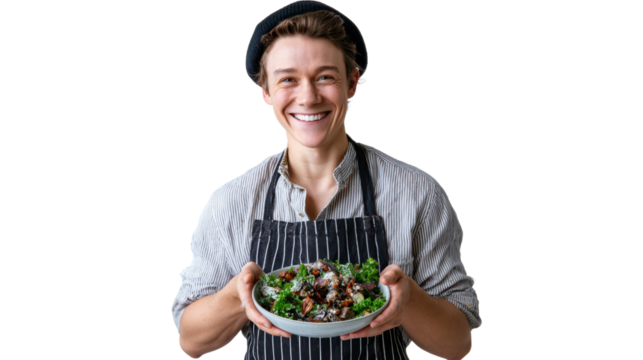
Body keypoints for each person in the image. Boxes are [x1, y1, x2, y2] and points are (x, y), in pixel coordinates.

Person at [171, 1, 481, 359]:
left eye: (325, 77)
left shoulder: (417, 192)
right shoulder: (231, 200)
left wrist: (408, 300)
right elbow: (191, 342)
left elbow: (457, 344)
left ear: (352, 83)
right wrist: (235, 298)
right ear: (265, 91)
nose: (308, 97)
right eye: (288, 79)